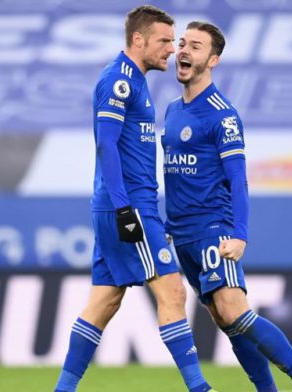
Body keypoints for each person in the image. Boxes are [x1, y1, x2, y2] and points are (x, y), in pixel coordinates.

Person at [162, 21, 292, 392]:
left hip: (213, 227)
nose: (184, 51)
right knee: (226, 321)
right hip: (184, 235)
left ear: (214, 60)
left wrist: (239, 234)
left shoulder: (223, 114)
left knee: (235, 311)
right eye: (182, 43)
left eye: (195, 46)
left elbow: (238, 179)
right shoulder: (173, 111)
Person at [54, 6, 215, 392]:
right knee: (172, 292)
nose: (172, 50)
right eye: (163, 41)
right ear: (138, 40)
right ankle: (199, 388)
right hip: (130, 208)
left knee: (104, 303)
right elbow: (106, 145)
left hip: (119, 205)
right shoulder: (119, 81)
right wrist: (126, 207)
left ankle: (63, 389)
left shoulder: (137, 81)